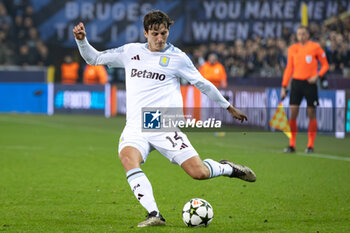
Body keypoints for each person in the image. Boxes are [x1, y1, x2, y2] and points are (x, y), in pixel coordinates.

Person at [73, 10, 256, 227]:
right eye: (155, 34)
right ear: (145, 33)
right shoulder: (130, 52)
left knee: (198, 173)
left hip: (163, 122)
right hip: (135, 125)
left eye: (164, 33)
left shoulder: (178, 58)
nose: (160, 38)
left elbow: (203, 83)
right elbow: (94, 58)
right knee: (128, 158)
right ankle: (154, 214)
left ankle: (228, 168)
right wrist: (82, 41)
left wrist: (228, 107)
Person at [281, 26, 329, 153]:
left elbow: (325, 65)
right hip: (296, 83)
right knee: (293, 113)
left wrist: (317, 76)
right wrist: (284, 86)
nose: (301, 36)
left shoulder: (315, 47)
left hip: (310, 84)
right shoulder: (292, 49)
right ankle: (292, 145)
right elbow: (288, 69)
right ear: (297, 36)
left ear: (307, 35)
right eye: (299, 34)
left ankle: (310, 145)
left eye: (303, 34)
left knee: (311, 113)